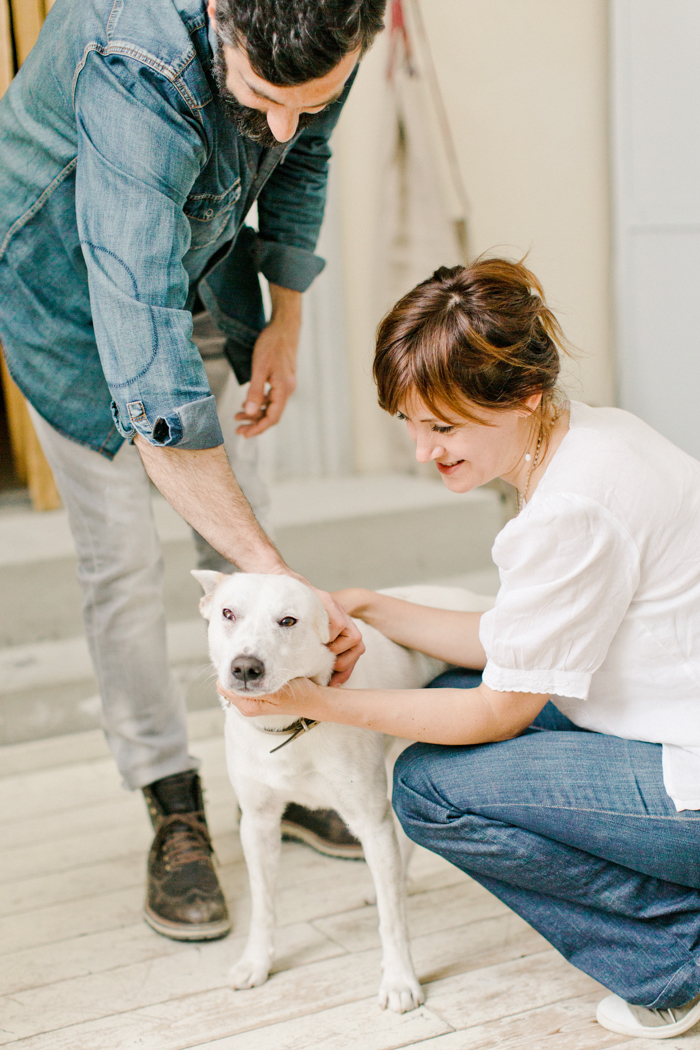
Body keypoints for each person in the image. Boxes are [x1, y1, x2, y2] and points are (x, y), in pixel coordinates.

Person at [222, 257, 700, 1040]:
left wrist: (316, 703)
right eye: (409, 423)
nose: (421, 450)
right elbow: (518, 644)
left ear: (524, 396)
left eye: (440, 426)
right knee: (438, 694)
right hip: (666, 727)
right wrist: (370, 607)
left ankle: (671, 960)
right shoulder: (598, 434)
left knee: (426, 787)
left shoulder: (570, 511)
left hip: (687, 780)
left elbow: (497, 713)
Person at [0, 0, 386, 941]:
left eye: (316, 96)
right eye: (263, 95)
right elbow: (148, 369)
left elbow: (307, 154)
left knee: (249, 530)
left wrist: (284, 322)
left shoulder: (329, 21)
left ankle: (282, 768)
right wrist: (276, 578)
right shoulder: (132, 61)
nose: (287, 123)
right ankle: (172, 803)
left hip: (206, 265)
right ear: (221, 16)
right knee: (126, 563)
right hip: (72, 308)